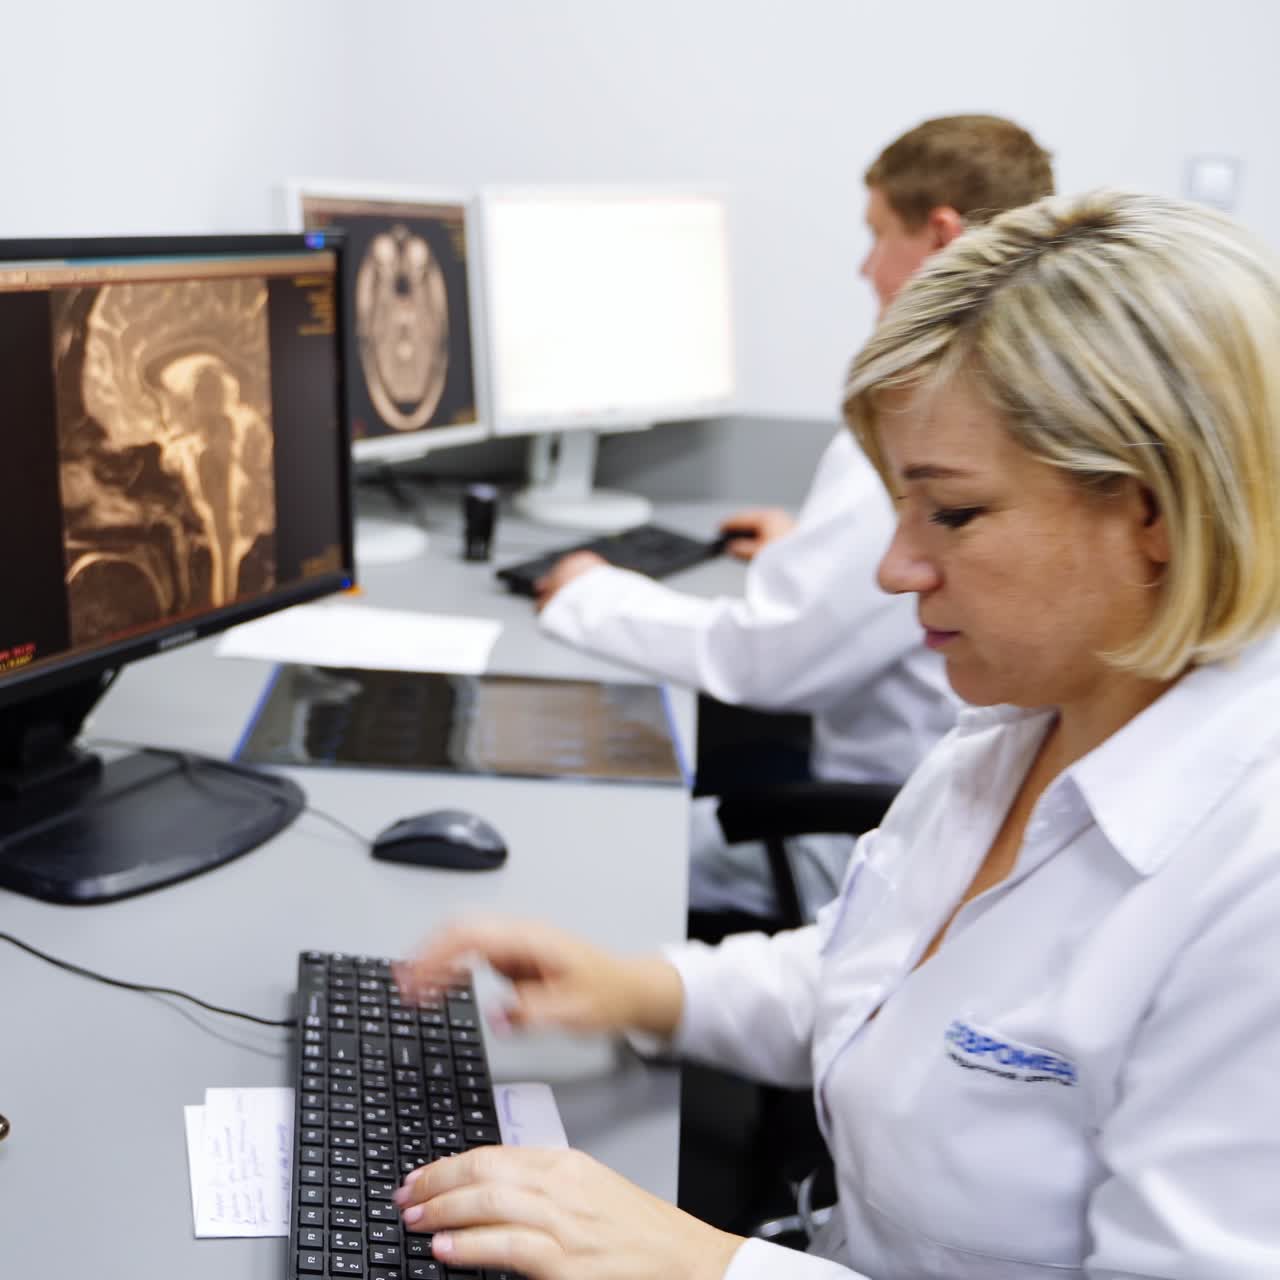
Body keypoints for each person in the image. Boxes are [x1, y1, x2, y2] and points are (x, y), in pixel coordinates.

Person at [393, 190, 1280, 1278]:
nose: (892, 568)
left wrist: (704, 1265)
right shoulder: (1028, 720)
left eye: (949, 512)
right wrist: (645, 986)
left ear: (1149, 511)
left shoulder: (1248, 888)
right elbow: (892, 972)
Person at [534, 115, 1054, 926]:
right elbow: (863, 597)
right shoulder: (1028, 393)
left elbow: (763, 662)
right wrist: (810, 554)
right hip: (939, 802)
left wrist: (586, 595)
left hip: (871, 834)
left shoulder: (929, 411)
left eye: (877, 234)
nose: (864, 266)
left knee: (579, 849)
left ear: (941, 236)